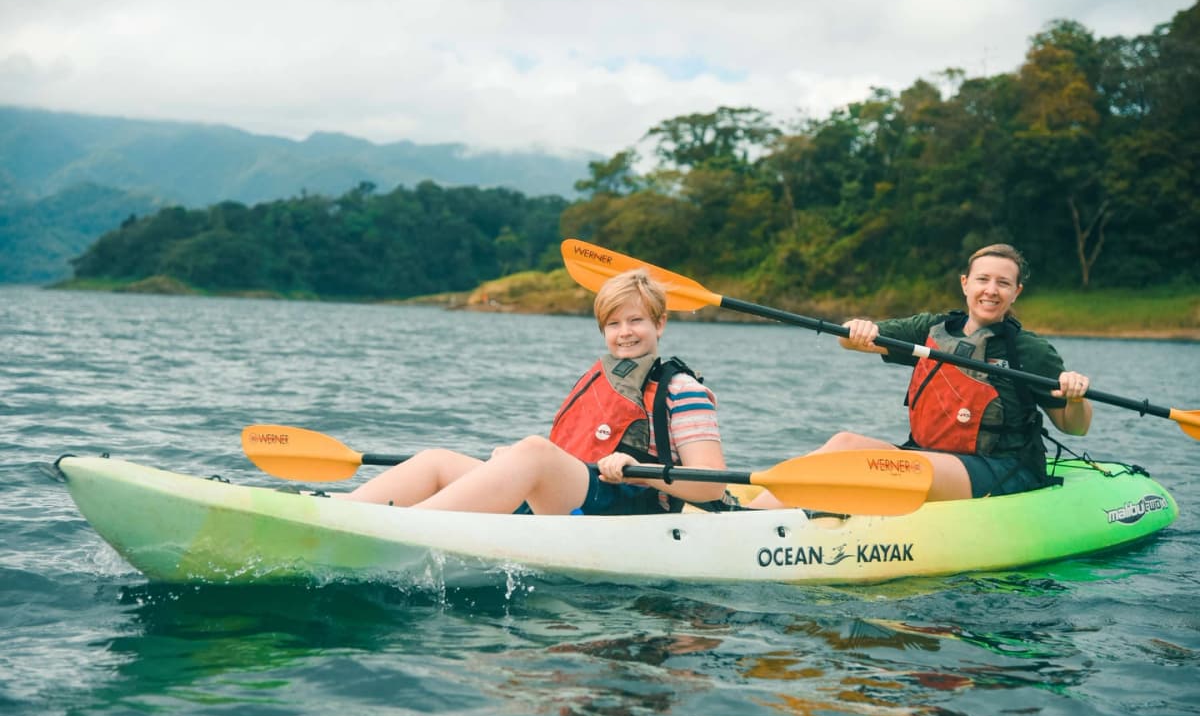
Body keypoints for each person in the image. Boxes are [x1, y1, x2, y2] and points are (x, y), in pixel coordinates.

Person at [346, 268, 728, 514]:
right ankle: (347, 515)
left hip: (630, 509)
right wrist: (511, 464)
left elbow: (711, 485)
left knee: (533, 451)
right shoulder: (604, 380)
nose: (624, 332)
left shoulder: (683, 390)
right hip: (577, 495)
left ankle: (404, 530)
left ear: (659, 324)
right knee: (437, 460)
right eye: (613, 324)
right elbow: (573, 455)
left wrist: (638, 471)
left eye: (636, 320)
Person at [756, 243, 1092, 505]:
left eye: (1003, 283)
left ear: (1016, 292)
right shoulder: (930, 329)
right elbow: (852, 340)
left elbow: (1075, 426)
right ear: (965, 284)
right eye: (983, 279)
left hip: (1003, 468)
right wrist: (855, 330)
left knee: (888, 470)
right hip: (927, 454)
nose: (991, 290)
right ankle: (751, 506)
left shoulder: (1030, 351)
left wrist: (1077, 396)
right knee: (844, 443)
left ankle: (753, 516)